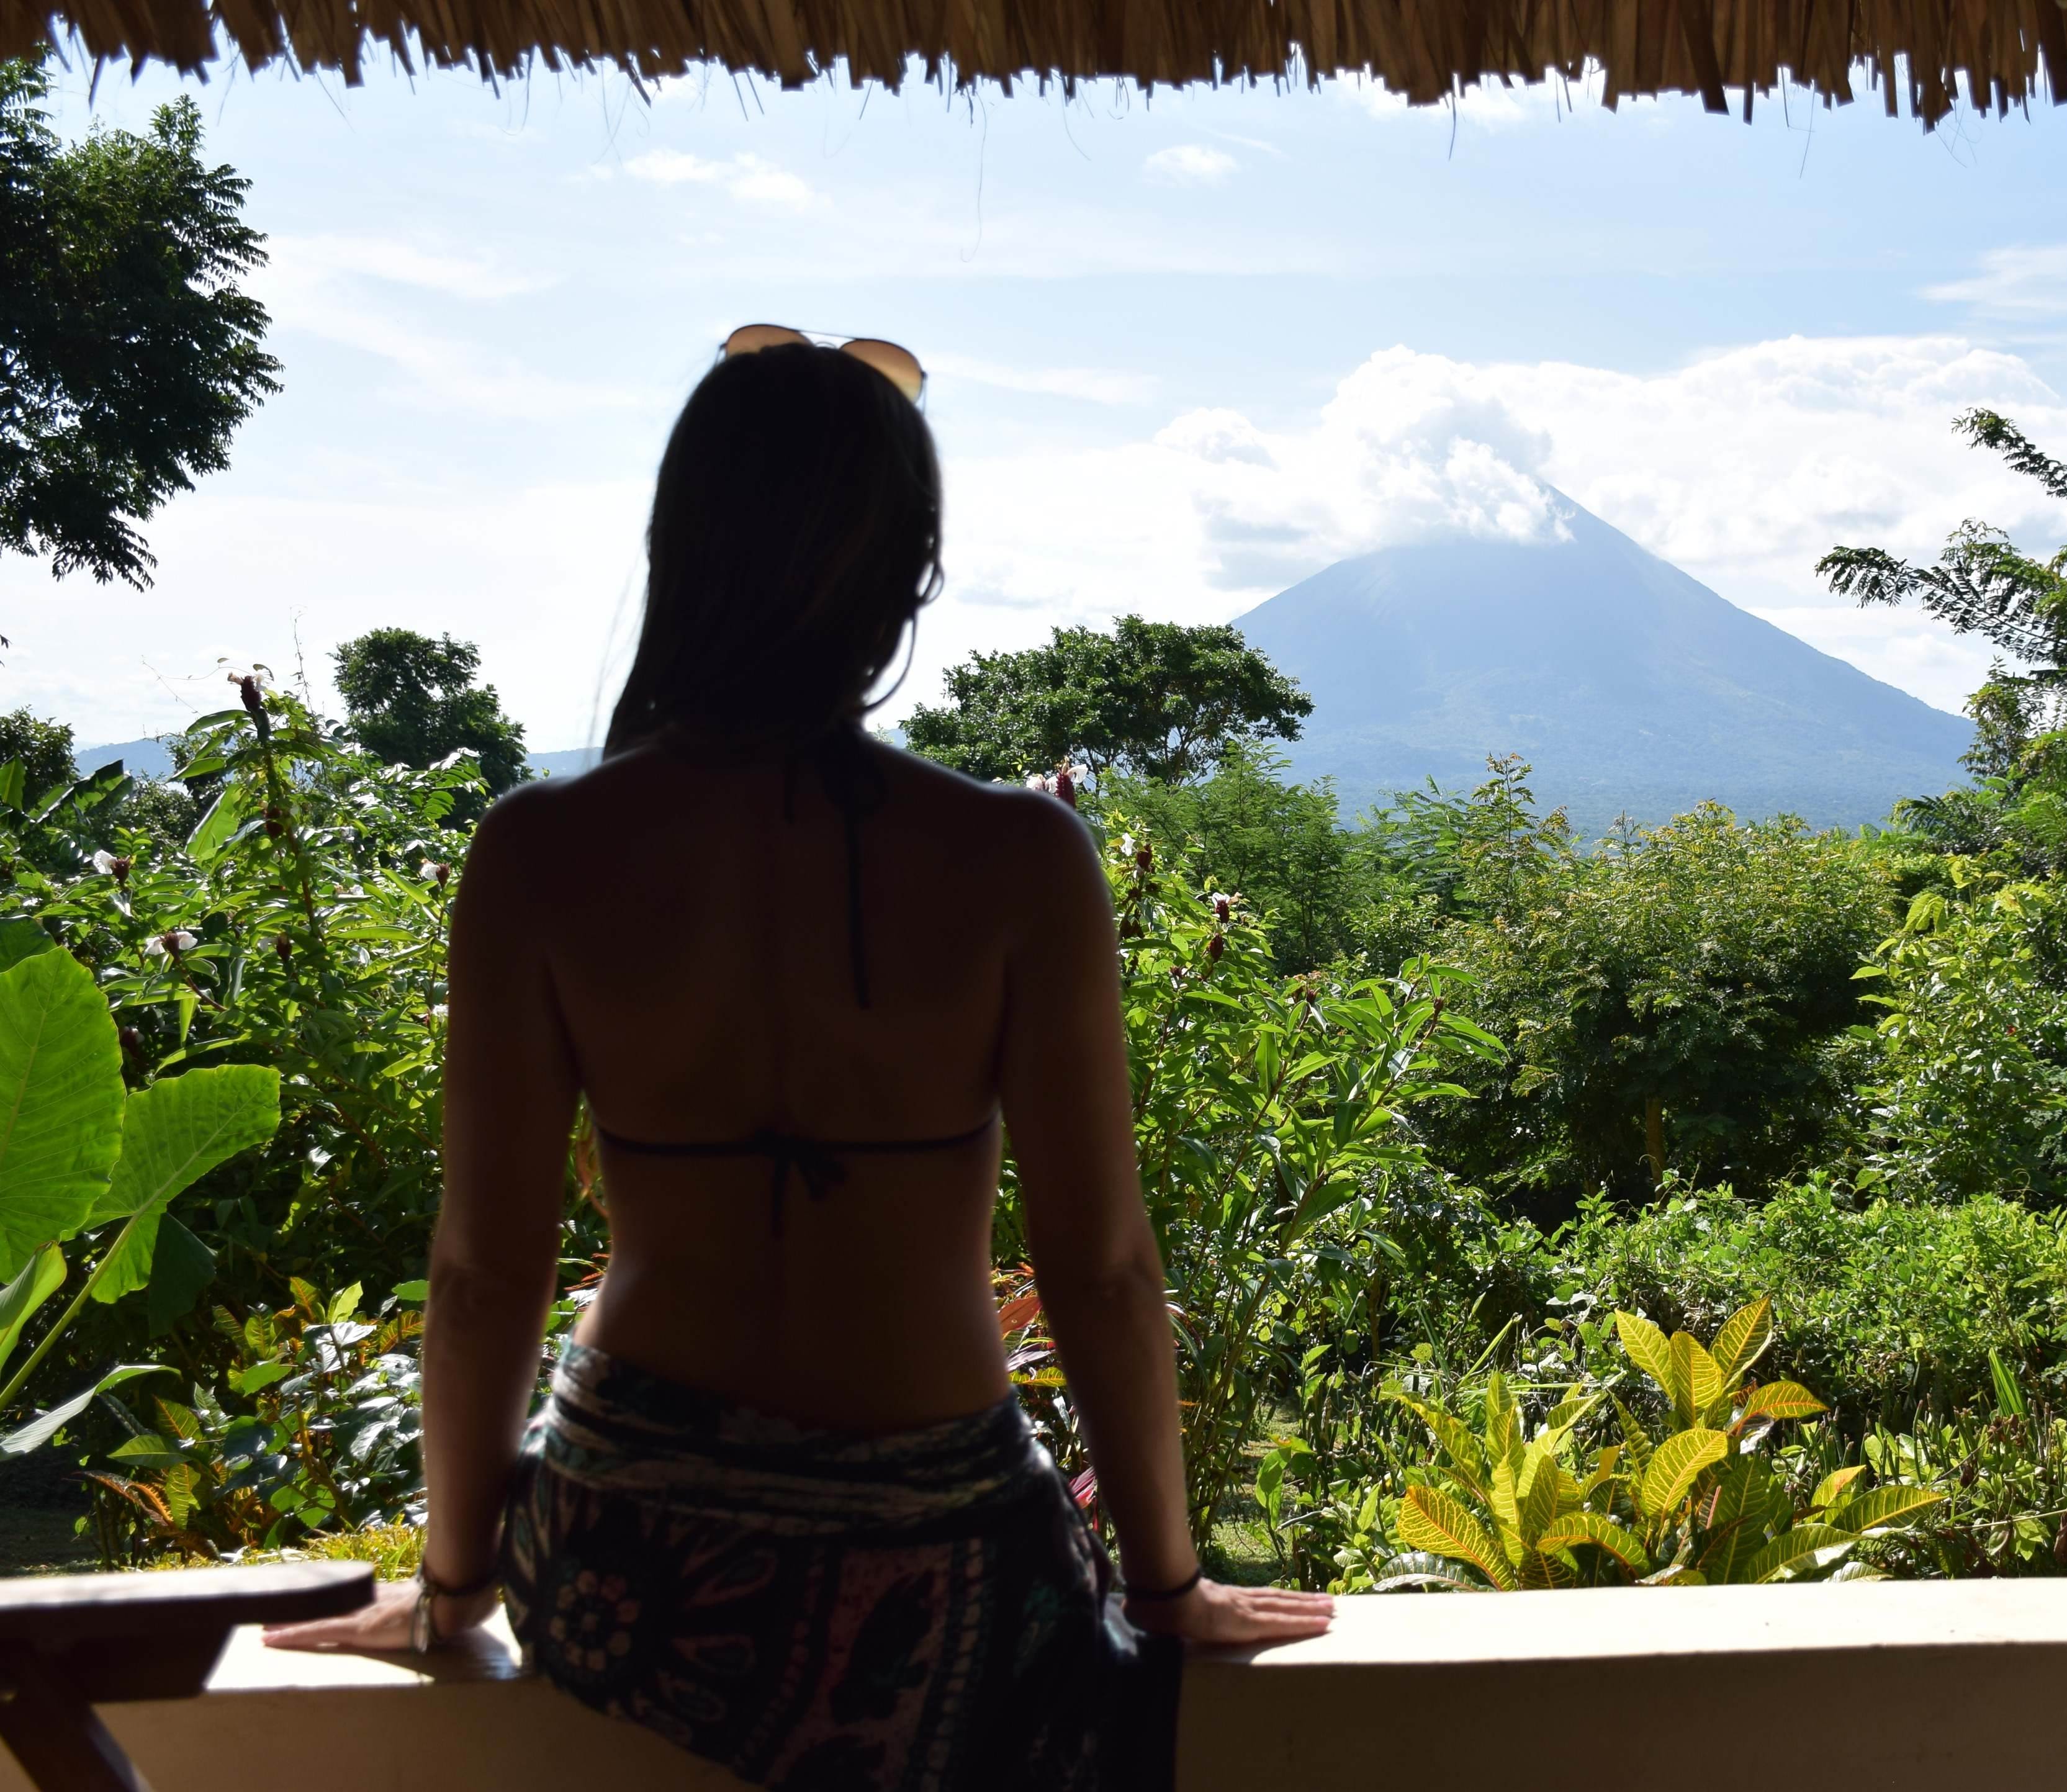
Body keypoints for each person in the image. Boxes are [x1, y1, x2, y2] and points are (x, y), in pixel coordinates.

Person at [266, 330, 1334, 1786]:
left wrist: (454, 1588)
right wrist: (1167, 1587)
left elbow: (482, 1270)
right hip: (939, 1564)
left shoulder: (540, 852)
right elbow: (1100, 1269)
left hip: (624, 1560)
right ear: (908, 571)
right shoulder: (1021, 859)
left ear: (679, 548)